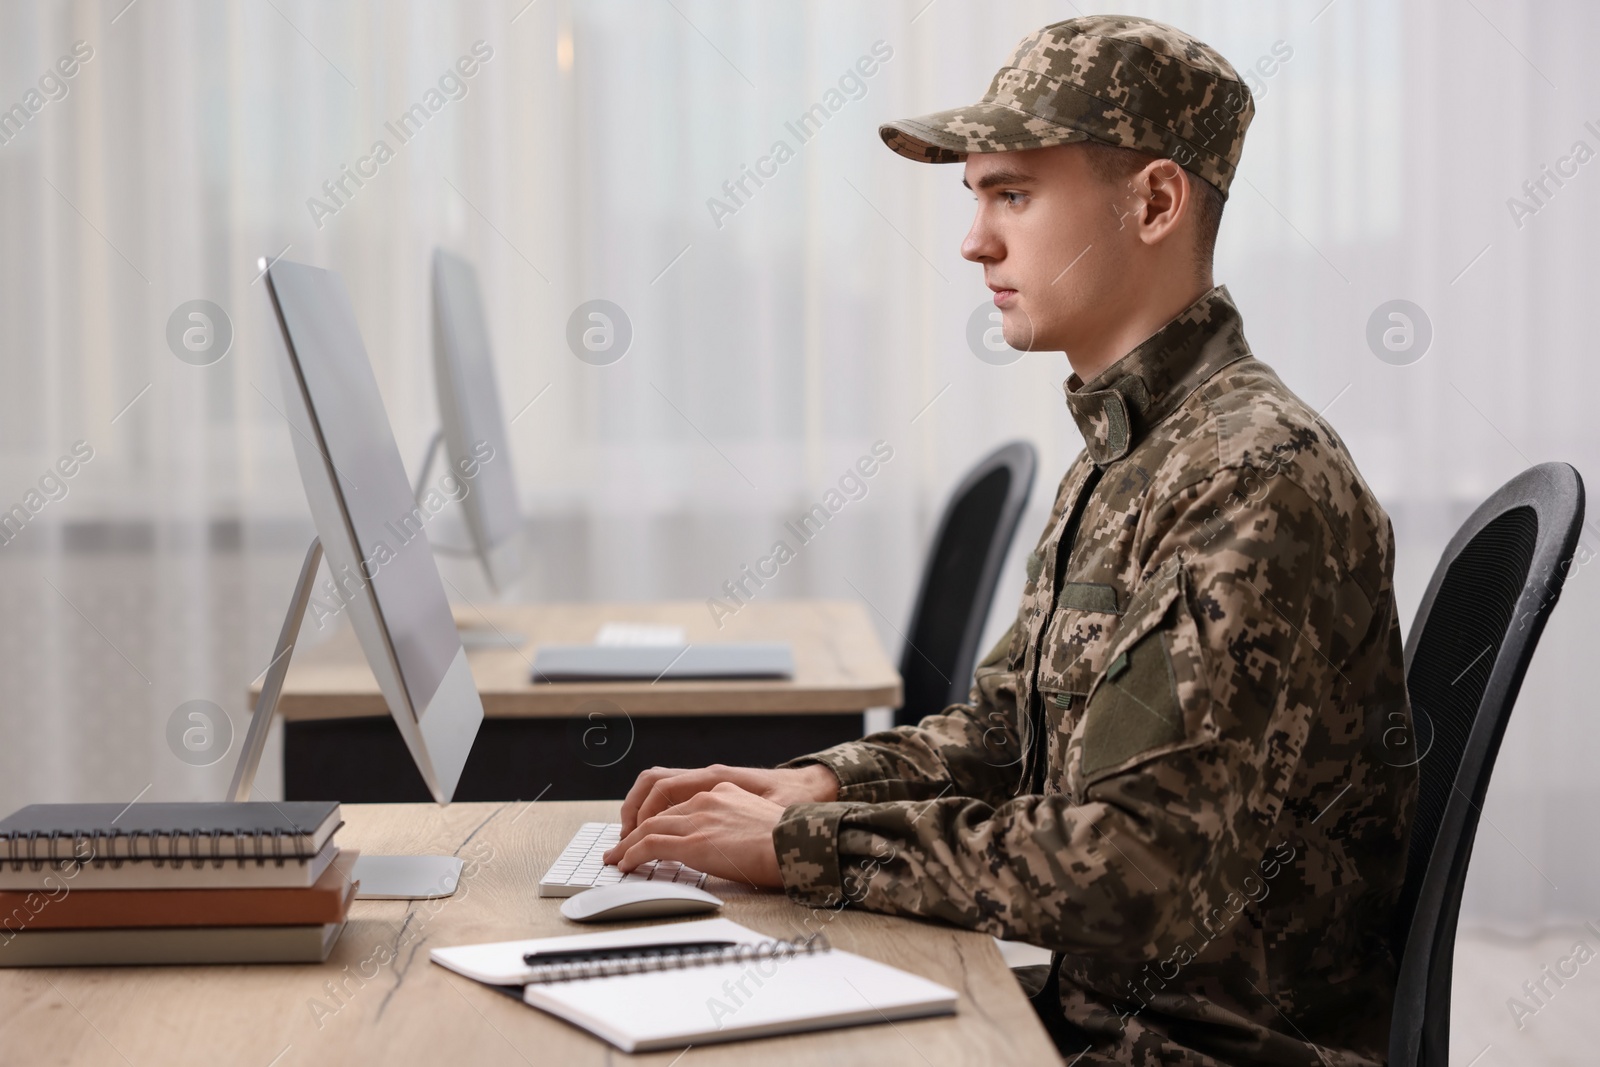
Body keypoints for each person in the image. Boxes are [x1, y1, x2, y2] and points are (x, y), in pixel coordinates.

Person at [603, 15, 1417, 1064]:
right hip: (1071, 1007)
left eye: (1013, 194)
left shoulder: (1248, 475)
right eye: (976, 196)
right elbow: (1004, 735)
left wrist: (803, 848)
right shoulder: (1129, 449)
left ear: (1155, 202)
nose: (973, 240)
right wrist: (823, 785)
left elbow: (1136, 863)